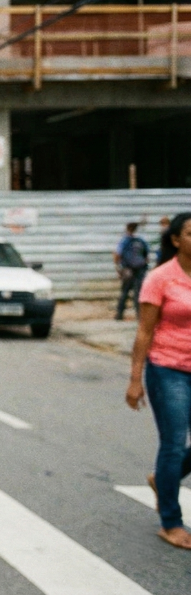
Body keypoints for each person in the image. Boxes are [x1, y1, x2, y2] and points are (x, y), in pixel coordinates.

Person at [127, 212, 191, 550]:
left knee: (176, 453)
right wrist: (135, 379)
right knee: (174, 443)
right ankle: (170, 521)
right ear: (177, 240)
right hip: (168, 369)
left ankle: (162, 479)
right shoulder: (160, 278)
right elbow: (144, 331)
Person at [116, 222, 151, 321]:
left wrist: (119, 268)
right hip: (140, 269)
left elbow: (117, 254)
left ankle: (119, 314)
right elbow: (146, 255)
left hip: (128, 269)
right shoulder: (140, 241)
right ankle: (139, 315)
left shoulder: (125, 241)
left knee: (125, 292)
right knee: (138, 293)